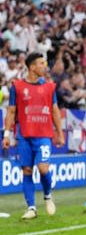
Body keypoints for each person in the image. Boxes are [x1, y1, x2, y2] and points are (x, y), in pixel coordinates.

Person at [2, 52, 65, 219]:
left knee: (43, 168)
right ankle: (31, 208)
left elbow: (55, 111)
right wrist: (7, 134)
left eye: (45, 63)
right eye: (41, 63)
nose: (45, 66)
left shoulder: (50, 86)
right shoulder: (17, 86)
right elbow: (11, 111)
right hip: (24, 136)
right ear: (31, 67)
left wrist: (59, 133)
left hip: (43, 135)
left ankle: (48, 196)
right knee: (27, 170)